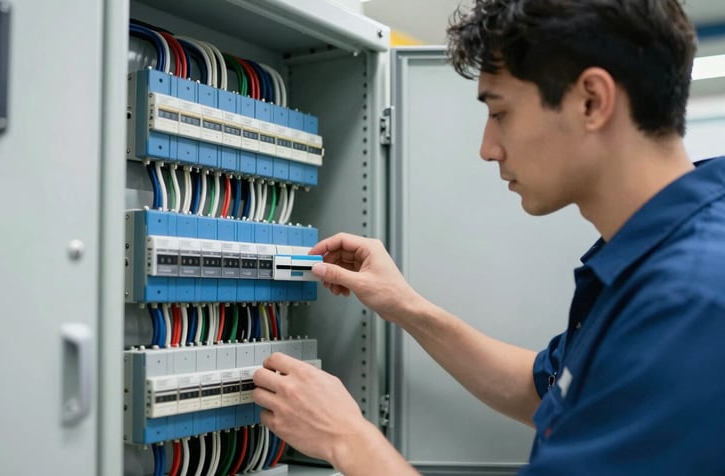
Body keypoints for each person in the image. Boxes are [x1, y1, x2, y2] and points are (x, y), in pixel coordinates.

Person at [254, 0, 725, 474]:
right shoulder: (660, 256)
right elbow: (541, 388)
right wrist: (405, 305)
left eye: (499, 112)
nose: (487, 148)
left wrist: (344, 438)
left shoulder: (689, 300)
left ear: (592, 101)